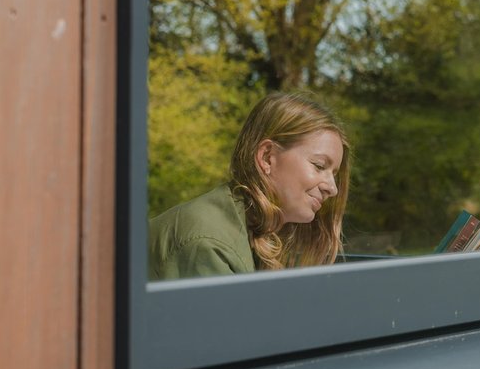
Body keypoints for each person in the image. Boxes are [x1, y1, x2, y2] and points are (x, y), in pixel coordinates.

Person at [148, 91, 351, 280]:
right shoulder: (209, 244)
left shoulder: (259, 230)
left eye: (333, 174)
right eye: (319, 166)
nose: (332, 189)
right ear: (267, 157)